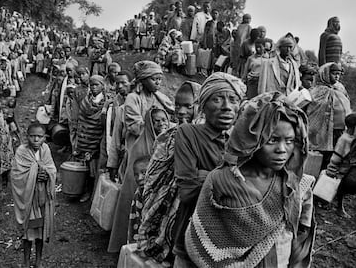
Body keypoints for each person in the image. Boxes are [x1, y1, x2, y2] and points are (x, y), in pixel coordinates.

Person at [185, 92, 315, 268]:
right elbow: (204, 236)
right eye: (273, 140)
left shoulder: (295, 185)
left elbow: (301, 233)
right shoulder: (222, 180)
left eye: (290, 141)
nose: (282, 149)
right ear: (252, 141)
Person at [173, 72, 246, 268]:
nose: (226, 107)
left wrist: (205, 176)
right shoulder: (188, 133)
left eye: (233, 100)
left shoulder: (241, 142)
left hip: (231, 239)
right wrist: (233, 179)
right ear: (203, 106)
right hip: (192, 233)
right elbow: (187, 191)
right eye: (217, 99)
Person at [108, 61, 173, 253]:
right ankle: (125, 240)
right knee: (132, 195)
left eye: (160, 78)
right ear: (143, 80)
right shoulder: (132, 99)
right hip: (137, 150)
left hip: (158, 150)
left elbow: (170, 116)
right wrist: (154, 124)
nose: (158, 82)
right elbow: (134, 125)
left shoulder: (161, 98)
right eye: (154, 79)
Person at [135, 81, 201, 265]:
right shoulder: (169, 135)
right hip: (165, 196)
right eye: (178, 105)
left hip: (189, 198)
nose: (181, 111)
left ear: (200, 106)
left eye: (188, 106)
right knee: (165, 231)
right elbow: (155, 172)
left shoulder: (205, 137)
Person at [11, 122, 56, 268]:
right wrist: (35, 173)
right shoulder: (21, 151)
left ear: (44, 138)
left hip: (42, 198)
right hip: (28, 199)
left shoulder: (46, 150)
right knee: (27, 231)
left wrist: (47, 175)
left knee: (41, 230)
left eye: (39, 137)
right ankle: (25, 261)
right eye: (32, 136)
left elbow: (52, 169)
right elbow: (16, 175)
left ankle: (38, 261)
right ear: (27, 137)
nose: (36, 140)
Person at [127, 108, 170, 243]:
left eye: (164, 120)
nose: (161, 123)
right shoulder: (141, 146)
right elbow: (134, 174)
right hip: (143, 195)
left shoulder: (170, 141)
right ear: (150, 123)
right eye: (156, 121)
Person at [307, 62, 352, 168]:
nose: (336, 76)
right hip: (324, 132)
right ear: (326, 74)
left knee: (338, 158)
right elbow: (313, 111)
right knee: (323, 159)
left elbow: (347, 103)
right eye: (333, 73)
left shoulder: (340, 88)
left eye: (338, 74)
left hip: (340, 130)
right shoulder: (318, 91)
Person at [73, 75, 106, 202]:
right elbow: (82, 121)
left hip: (96, 140)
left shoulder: (106, 103)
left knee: (95, 168)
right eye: (91, 85)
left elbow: (103, 124)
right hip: (84, 139)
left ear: (102, 86)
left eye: (96, 85)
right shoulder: (86, 101)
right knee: (85, 167)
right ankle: (84, 190)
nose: (93, 87)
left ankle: (93, 193)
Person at [326, 113, 356, 218]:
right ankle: (339, 207)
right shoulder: (345, 139)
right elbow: (336, 157)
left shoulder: (352, 138)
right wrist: (331, 171)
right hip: (343, 171)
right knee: (341, 189)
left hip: (348, 169)